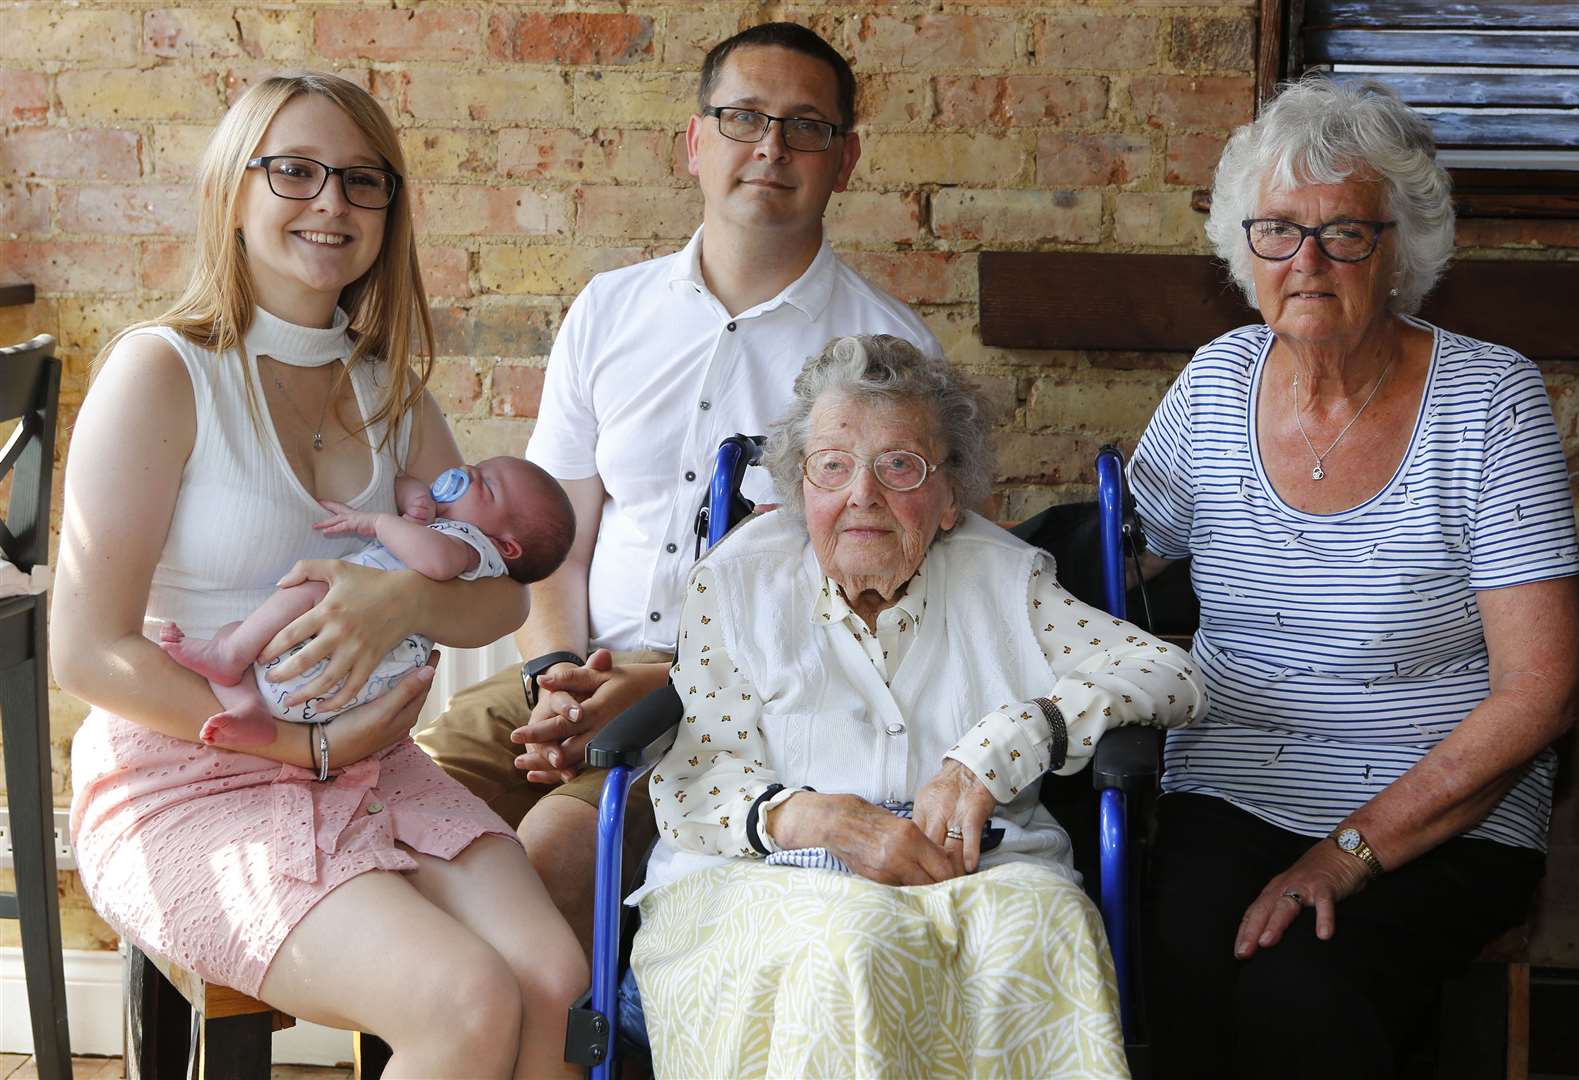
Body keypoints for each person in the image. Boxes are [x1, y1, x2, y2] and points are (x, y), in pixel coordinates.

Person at [53, 73, 587, 1078]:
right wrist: (304, 744)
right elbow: (87, 650)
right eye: (293, 171)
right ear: (232, 190)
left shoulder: (390, 390)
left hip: (374, 766)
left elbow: (504, 595)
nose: (331, 202)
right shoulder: (162, 372)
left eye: (360, 180)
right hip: (186, 775)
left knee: (551, 974)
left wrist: (410, 600)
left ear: (390, 208)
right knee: (463, 999)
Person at [414, 21, 944, 955]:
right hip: (575, 670)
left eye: (805, 126)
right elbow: (554, 546)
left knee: (551, 859)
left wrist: (660, 687)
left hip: (743, 712)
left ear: (846, 159)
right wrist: (553, 681)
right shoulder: (609, 312)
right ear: (695, 142)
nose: (771, 147)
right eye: (743, 117)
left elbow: (873, 614)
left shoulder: (888, 356)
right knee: (390, 817)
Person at [1129, 77, 1579, 1078]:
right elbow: (1120, 555)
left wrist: (1345, 852)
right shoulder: (1216, 385)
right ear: (1241, 248)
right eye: (1280, 231)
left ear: (1403, 247)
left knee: (1306, 991)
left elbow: (1540, 691)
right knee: (1176, 968)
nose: (1309, 261)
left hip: (1436, 812)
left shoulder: (1489, 401)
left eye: (1347, 233)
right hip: (1234, 784)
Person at [627, 334, 1206, 1075]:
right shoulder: (735, 585)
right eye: (832, 466)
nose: (862, 494)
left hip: (977, 870)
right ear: (799, 487)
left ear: (948, 496)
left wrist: (1011, 741)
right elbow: (698, 779)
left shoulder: (1006, 581)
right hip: (763, 878)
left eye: (900, 465)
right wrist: (824, 819)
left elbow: (1169, 673)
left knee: (1044, 927)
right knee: (855, 944)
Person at [160, 456, 574, 744]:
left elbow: (435, 559)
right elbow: (407, 494)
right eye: (479, 467)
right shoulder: (449, 527)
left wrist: (376, 522)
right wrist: (416, 497)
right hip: (324, 683)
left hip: (344, 659)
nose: (467, 471)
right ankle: (251, 709)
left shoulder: (472, 547)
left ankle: (231, 655)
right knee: (241, 633)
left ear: (507, 546)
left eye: (486, 485)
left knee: (312, 588)